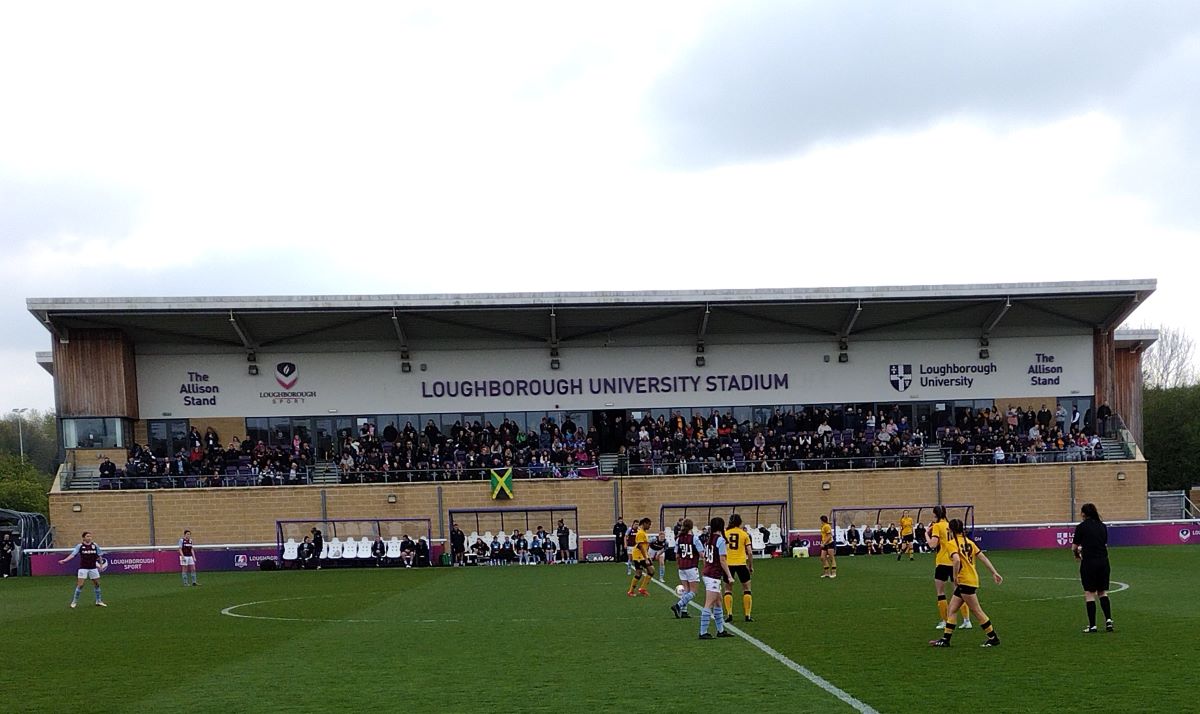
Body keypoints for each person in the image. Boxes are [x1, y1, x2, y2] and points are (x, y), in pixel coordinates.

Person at [931, 518, 1002, 647]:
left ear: (951, 530)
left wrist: (955, 576)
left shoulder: (952, 543)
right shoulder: (969, 542)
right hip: (971, 579)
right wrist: (994, 572)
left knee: (977, 611)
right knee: (952, 610)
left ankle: (993, 638)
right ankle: (946, 639)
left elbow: (957, 560)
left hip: (964, 581)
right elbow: (982, 557)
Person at [928, 506, 971, 630]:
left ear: (935, 514)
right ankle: (967, 620)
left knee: (941, 592)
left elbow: (932, 544)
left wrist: (926, 533)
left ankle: (945, 621)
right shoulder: (950, 525)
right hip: (955, 560)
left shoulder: (937, 526)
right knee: (958, 591)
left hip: (942, 561)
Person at [1073, 503, 1114, 633]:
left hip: (1089, 563)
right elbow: (1104, 543)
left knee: (1089, 593)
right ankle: (1108, 621)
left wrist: (1077, 554)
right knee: (1102, 591)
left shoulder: (1081, 527)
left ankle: (1093, 625)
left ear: (1083, 514)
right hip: (1103, 561)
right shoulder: (1102, 526)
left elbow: (1074, 547)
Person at [698, 516, 735, 640]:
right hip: (713, 575)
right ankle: (703, 632)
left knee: (718, 602)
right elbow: (722, 560)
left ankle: (721, 630)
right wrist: (729, 576)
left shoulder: (709, 539)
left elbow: (704, 557)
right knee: (709, 603)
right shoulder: (720, 540)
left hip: (708, 573)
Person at [57, 531, 107, 608]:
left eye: (90, 536)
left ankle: (99, 601)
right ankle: (74, 602)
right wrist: (65, 560)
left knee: (97, 584)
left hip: (93, 568)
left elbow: (99, 555)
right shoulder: (80, 546)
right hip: (83, 568)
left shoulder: (95, 545)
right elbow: (73, 554)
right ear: (83, 538)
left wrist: (100, 565)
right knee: (80, 585)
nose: (89, 538)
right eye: (87, 536)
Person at [723, 513, 754, 622]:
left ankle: (729, 614)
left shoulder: (725, 534)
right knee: (747, 589)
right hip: (741, 564)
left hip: (728, 565)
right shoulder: (744, 534)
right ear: (740, 522)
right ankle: (747, 615)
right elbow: (749, 552)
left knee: (728, 589)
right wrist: (750, 566)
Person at [670, 518, 700, 619]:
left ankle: (684, 611)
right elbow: (702, 553)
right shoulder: (694, 538)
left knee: (686, 590)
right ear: (691, 527)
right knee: (693, 591)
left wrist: (678, 564)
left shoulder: (679, 538)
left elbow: (677, 555)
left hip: (682, 566)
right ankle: (678, 605)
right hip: (691, 566)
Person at [626, 517, 653, 597]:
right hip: (638, 556)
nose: (649, 526)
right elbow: (640, 546)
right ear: (644, 523)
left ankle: (635, 590)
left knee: (640, 573)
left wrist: (647, 556)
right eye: (649, 524)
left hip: (641, 555)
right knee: (650, 571)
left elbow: (644, 546)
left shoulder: (643, 532)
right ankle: (640, 589)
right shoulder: (640, 533)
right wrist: (646, 558)